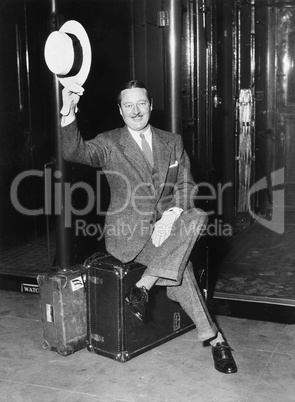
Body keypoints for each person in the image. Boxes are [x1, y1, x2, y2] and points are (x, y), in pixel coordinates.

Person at [60, 79, 237, 374]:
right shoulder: (109, 142)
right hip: (129, 235)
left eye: (141, 103)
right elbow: (74, 151)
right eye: (128, 105)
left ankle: (144, 286)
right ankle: (217, 341)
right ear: (120, 110)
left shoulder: (172, 141)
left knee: (199, 216)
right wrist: (68, 110)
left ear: (151, 105)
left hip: (169, 230)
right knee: (184, 273)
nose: (136, 110)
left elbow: (186, 184)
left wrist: (169, 218)